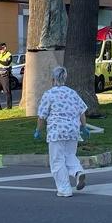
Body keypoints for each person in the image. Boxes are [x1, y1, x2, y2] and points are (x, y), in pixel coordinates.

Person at [34, 65, 90, 197]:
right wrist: (84, 126)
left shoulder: (49, 94)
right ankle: (78, 172)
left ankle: (64, 189)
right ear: (65, 78)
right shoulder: (72, 93)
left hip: (56, 132)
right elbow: (82, 111)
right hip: (72, 131)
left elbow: (42, 115)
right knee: (70, 155)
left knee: (57, 160)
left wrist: (38, 130)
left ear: (53, 79)